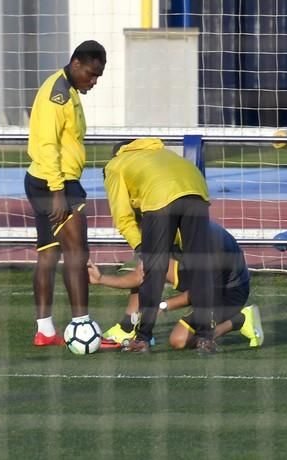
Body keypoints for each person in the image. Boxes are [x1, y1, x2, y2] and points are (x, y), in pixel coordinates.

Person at [24, 40, 106, 346]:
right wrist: (58, 191)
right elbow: (48, 145)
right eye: (91, 74)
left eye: (98, 76)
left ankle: (45, 330)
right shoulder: (57, 96)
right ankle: (82, 327)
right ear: (75, 64)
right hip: (55, 184)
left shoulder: (68, 88)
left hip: (43, 179)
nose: (94, 81)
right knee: (77, 253)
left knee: (48, 255)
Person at [103, 137, 217, 353]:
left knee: (154, 270)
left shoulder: (115, 165)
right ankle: (205, 337)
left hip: (160, 195)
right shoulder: (159, 153)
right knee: (200, 267)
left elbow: (123, 217)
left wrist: (140, 247)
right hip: (197, 187)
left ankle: (143, 338)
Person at [88, 221, 264, 349]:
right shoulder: (173, 232)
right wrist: (101, 278)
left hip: (229, 294)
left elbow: (201, 293)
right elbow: (141, 275)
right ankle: (128, 328)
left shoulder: (207, 246)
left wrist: (163, 306)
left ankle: (240, 319)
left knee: (178, 341)